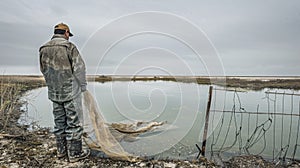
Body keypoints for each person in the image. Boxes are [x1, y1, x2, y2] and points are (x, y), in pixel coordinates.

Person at [39, 23, 90, 162]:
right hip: (71, 91)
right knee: (74, 122)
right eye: (69, 34)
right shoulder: (69, 47)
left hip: (54, 92)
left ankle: (61, 152)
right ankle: (74, 154)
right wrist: (83, 86)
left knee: (59, 121)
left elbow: (43, 69)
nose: (69, 37)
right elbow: (79, 68)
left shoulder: (43, 48)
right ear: (66, 32)